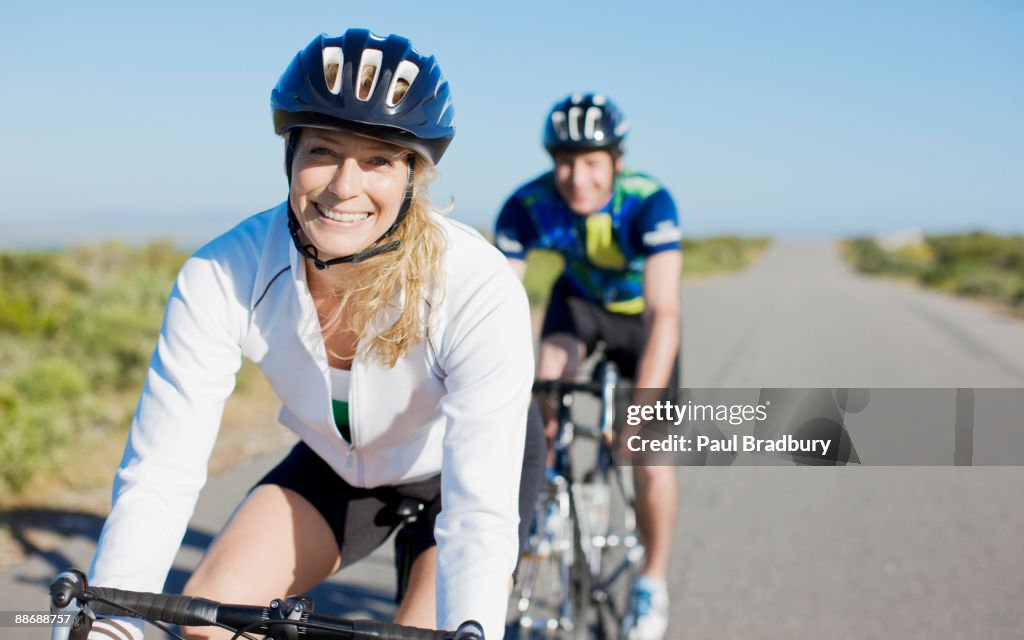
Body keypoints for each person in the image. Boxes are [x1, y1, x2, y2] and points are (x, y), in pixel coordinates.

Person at [84, 28, 543, 640]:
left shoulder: (475, 284)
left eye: (377, 159)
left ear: (412, 177)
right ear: (291, 155)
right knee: (207, 624)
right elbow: (161, 473)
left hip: (456, 476)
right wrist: (115, 623)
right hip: (337, 468)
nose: (344, 186)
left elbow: (479, 514)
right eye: (323, 150)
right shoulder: (223, 273)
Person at [494, 92, 682, 640]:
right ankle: (548, 481)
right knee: (542, 395)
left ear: (616, 162)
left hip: (639, 319)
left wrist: (641, 411)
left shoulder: (649, 201)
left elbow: (664, 312)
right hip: (575, 307)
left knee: (651, 458)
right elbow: (499, 304)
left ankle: (652, 582)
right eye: (565, 162)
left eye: (592, 162)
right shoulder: (527, 205)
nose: (577, 177)